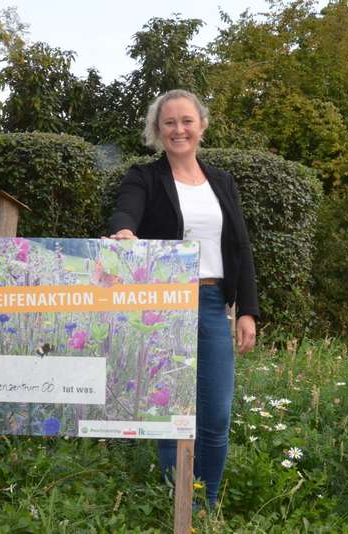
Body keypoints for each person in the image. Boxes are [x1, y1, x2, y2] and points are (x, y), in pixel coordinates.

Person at [109, 89, 258, 507]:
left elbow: (241, 247)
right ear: (158, 130)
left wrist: (247, 310)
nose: (179, 129)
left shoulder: (222, 182)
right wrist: (123, 231)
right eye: (169, 122)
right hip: (163, 305)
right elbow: (126, 212)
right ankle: (176, 504)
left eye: (187, 121)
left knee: (216, 415)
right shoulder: (144, 177)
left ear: (201, 126)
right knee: (168, 412)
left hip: (212, 305)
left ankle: (205, 504)